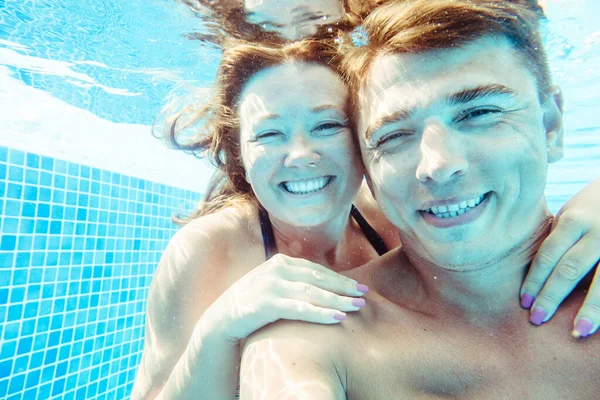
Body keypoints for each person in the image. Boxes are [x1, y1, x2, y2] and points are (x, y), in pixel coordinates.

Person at [238, 1, 600, 398]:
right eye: (392, 137)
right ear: (366, 168)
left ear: (551, 127)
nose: (439, 165)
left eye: (478, 112)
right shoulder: (309, 337)